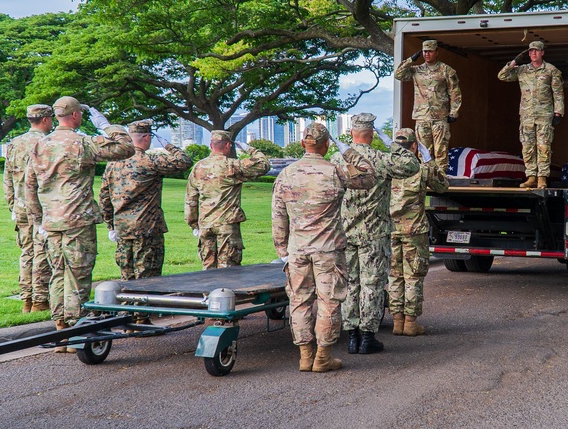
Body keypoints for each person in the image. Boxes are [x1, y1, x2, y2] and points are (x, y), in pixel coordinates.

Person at [25, 97, 134, 349]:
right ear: (75, 116)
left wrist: (37, 219)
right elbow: (126, 148)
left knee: (58, 274)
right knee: (78, 275)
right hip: (77, 219)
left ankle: (60, 331)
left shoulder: (41, 145)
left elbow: (29, 185)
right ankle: (74, 331)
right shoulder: (83, 143)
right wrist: (107, 125)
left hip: (51, 221)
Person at [271, 122, 377, 373]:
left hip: (298, 250)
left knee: (299, 302)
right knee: (329, 301)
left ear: (302, 144)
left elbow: (278, 215)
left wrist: (282, 249)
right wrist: (350, 151)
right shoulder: (335, 171)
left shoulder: (287, 174)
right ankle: (323, 357)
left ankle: (305, 356)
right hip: (328, 250)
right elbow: (369, 177)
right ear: (327, 145)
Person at [339, 113, 420, 355]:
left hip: (345, 233)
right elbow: (412, 165)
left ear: (351, 133)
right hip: (374, 233)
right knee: (372, 285)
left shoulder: (337, 159)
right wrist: (392, 143)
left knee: (350, 284)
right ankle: (367, 337)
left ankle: (351, 336)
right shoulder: (381, 159)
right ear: (372, 135)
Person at [99, 120, 192, 280]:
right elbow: (185, 161)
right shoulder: (150, 161)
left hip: (123, 228)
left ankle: (128, 303)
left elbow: (104, 198)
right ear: (147, 138)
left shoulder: (113, 164)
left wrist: (110, 226)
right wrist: (168, 146)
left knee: (127, 276)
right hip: (147, 228)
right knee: (148, 278)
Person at [388, 128, 449, 336]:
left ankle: (397, 321)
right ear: (414, 147)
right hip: (414, 231)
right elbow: (442, 186)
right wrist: (430, 160)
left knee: (394, 276)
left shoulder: (388, 169)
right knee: (413, 276)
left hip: (390, 230)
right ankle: (410, 323)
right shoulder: (421, 169)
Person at [185, 130, 270, 269]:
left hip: (205, 224)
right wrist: (249, 149)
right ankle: (225, 292)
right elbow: (263, 164)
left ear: (211, 145)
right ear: (228, 146)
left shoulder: (198, 167)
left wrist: (193, 224)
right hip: (227, 224)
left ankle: (208, 292)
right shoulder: (232, 166)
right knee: (228, 270)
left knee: (208, 269)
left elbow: (191, 199)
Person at [2, 104, 54, 313]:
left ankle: (26, 299)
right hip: (41, 206)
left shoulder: (15, 143)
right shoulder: (46, 143)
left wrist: (12, 204)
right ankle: (40, 301)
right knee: (42, 252)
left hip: (21, 206)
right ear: (45, 119)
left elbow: (7, 177)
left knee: (26, 252)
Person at [497, 40, 565, 189]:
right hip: (527, 115)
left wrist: (558, 112)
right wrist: (514, 62)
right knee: (527, 147)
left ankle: (542, 178)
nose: (533, 53)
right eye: (531, 51)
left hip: (544, 115)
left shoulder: (551, 70)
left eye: (536, 51)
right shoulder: (522, 70)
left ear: (542, 53)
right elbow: (502, 76)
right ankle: (531, 177)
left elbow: (558, 93)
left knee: (543, 147)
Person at [393, 39, 462, 170]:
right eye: (424, 51)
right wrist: (410, 60)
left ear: (436, 52)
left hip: (440, 117)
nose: (427, 54)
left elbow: (455, 92)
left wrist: (454, 112)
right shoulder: (416, 70)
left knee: (441, 150)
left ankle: (441, 180)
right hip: (422, 117)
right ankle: (427, 179)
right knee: (424, 151)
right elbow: (398, 75)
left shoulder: (446, 70)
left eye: (430, 51)